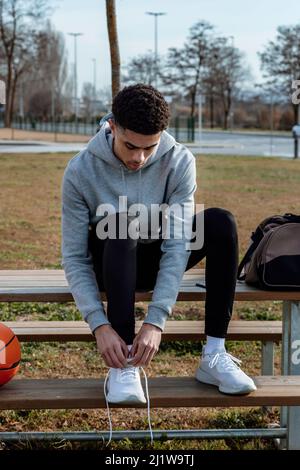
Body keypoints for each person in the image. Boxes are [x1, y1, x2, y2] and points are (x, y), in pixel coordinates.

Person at [61, 84, 256, 439]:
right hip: (111, 260)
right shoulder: (80, 171)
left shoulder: (180, 161)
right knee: (121, 223)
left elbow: (178, 244)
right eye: (131, 146)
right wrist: (98, 324)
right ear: (113, 127)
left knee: (220, 222)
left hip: (154, 255)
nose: (139, 158)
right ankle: (124, 365)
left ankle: (214, 354)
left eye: (150, 147)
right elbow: (74, 256)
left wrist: (156, 321)